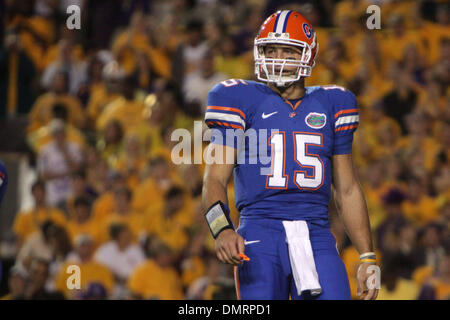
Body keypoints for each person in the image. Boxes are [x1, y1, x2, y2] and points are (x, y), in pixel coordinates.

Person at [202, 10, 379, 300]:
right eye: (270, 49)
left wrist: (367, 257)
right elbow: (214, 179)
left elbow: (347, 189)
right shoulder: (238, 99)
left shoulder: (334, 103)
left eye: (287, 50)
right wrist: (222, 230)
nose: (277, 58)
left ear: (307, 56)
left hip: (317, 234)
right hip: (260, 233)